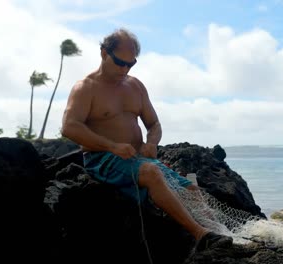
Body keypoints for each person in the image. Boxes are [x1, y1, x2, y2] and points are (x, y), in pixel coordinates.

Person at [61, 28, 233, 252]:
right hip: (102, 158)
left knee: (190, 187)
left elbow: (154, 124)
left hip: (137, 159)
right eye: (120, 62)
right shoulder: (86, 88)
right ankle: (200, 235)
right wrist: (112, 146)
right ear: (104, 53)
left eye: (130, 64)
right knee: (152, 173)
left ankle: (218, 232)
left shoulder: (135, 86)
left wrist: (151, 143)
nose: (125, 69)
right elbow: (69, 127)